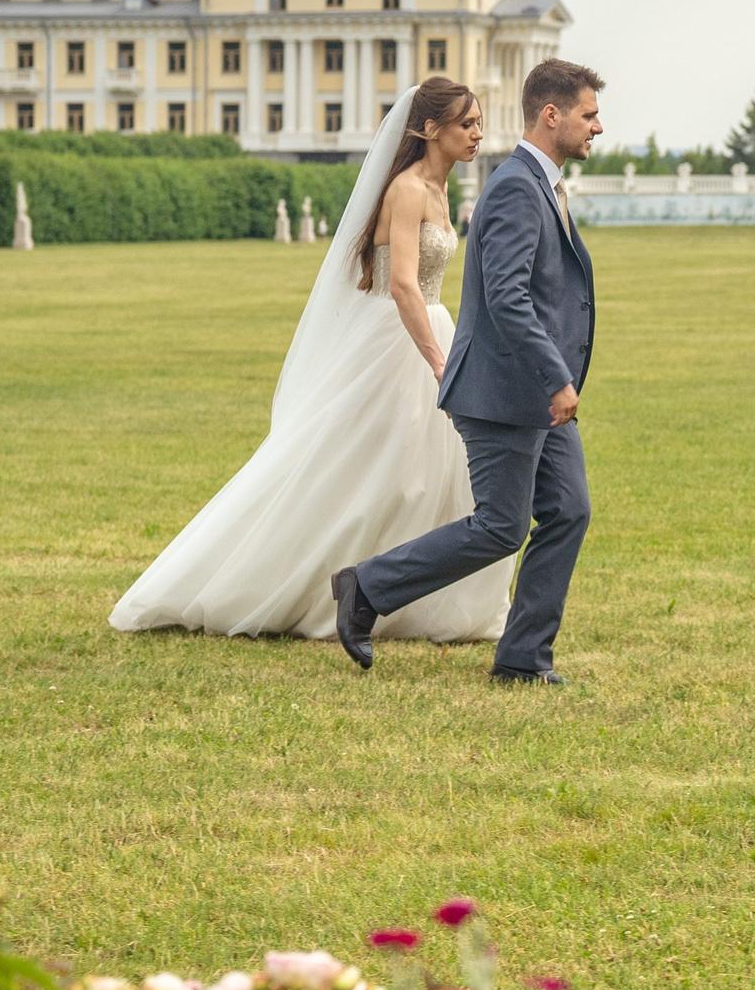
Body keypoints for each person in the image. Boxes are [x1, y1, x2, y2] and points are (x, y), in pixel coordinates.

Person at [108, 78, 513, 644]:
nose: (477, 133)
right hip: (397, 340)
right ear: (429, 129)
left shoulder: (444, 191)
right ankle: (308, 585)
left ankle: (409, 599)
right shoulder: (407, 190)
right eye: (466, 123)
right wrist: (440, 365)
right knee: (361, 471)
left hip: (432, 325)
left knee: (425, 475)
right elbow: (401, 286)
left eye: (477, 122)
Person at [333, 59, 602, 682]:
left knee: (568, 510)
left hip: (537, 391)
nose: (597, 127)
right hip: (506, 389)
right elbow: (507, 297)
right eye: (589, 115)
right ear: (552, 115)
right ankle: (365, 587)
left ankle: (522, 660)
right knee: (501, 526)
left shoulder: (538, 184)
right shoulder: (514, 187)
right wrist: (555, 376)